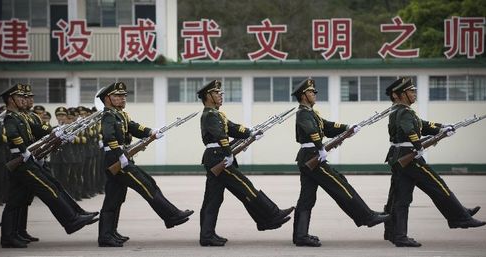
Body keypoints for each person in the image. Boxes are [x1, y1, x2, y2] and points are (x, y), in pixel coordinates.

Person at [383, 77, 485, 247]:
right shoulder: (405, 112)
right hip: (409, 156)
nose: (414, 94)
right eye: (410, 91)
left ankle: (397, 234)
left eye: (414, 91)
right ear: (399, 95)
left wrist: (442, 127)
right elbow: (410, 130)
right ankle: (460, 217)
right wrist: (419, 146)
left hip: (399, 156)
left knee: (401, 198)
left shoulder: (398, 111)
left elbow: (422, 125)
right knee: (438, 185)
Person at [291, 78, 389, 247]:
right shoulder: (303, 113)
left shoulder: (312, 113)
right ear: (303, 95)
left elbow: (327, 127)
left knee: (307, 198)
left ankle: (300, 235)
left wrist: (347, 128)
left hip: (310, 156)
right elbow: (312, 131)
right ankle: (367, 216)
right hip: (312, 156)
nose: (314, 94)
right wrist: (321, 147)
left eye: (314, 92)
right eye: (311, 92)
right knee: (340, 186)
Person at [0, 83, 98, 248]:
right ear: (11, 100)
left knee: (18, 200)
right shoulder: (11, 117)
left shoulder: (21, 117)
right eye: (20, 97)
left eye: (25, 97)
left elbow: (38, 129)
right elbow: (12, 135)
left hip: (28, 160)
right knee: (48, 189)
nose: (25, 100)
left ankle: (12, 235)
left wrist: (56, 132)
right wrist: (23, 151)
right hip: (21, 162)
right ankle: (71, 220)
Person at [197, 80, 294, 247]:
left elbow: (233, 128)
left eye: (221, 93)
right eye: (217, 93)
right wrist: (228, 153)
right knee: (246, 187)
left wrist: (251, 133)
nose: (221, 96)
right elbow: (221, 136)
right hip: (219, 156)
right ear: (208, 96)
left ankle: (207, 235)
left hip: (217, 156)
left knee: (213, 199)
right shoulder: (210, 115)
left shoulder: (217, 115)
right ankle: (272, 214)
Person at [97, 82, 194, 247]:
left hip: (121, 158)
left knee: (114, 198)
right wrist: (120, 155)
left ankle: (108, 234)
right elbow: (108, 137)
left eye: (123, 96)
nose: (122, 98)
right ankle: (171, 215)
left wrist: (151, 132)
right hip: (116, 159)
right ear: (107, 99)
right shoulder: (108, 115)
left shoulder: (120, 115)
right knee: (146, 184)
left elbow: (134, 127)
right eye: (118, 96)